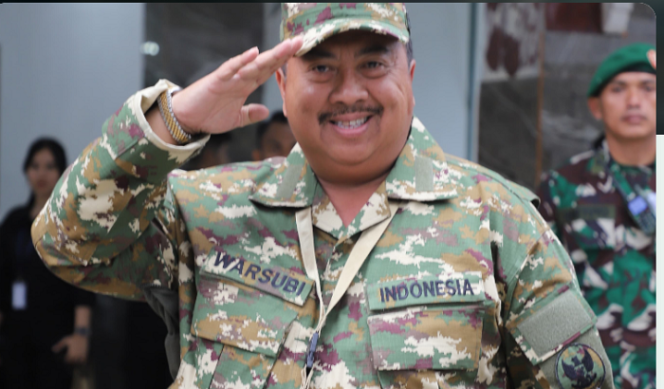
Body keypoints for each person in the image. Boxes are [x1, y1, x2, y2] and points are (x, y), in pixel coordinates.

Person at [33, 4, 614, 388]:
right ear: (282, 84)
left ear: (409, 75)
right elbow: (67, 243)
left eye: (372, 63)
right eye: (321, 67)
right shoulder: (207, 211)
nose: (349, 91)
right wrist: (175, 122)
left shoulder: (500, 221)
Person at [537, 43, 656, 389]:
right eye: (618, 89)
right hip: (592, 377)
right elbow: (539, 293)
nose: (634, 101)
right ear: (596, 106)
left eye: (649, 88)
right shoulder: (562, 187)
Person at [0, 138, 95, 389]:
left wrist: (81, 334)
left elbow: (82, 283)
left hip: (56, 336)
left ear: (62, 171)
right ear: (26, 170)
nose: (41, 173)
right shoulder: (14, 222)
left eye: (50, 166)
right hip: (15, 336)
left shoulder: (70, 222)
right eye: (35, 165)